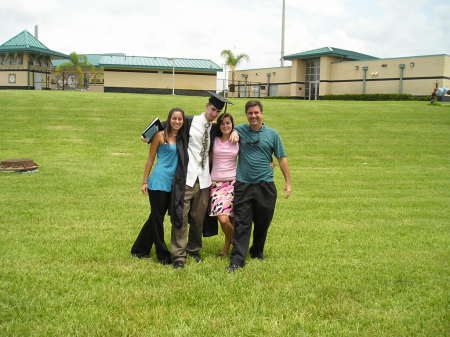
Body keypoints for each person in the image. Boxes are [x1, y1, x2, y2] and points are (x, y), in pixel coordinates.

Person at [169, 92, 237, 269]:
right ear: (207, 106)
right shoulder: (190, 122)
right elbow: (167, 124)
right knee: (181, 216)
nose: (214, 113)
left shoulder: (214, 128)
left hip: (205, 180)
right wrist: (148, 134)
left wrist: (236, 130)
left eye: (217, 111)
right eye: (213, 109)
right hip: (187, 177)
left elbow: (228, 128)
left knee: (198, 218)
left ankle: (194, 250)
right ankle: (178, 256)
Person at [227, 100, 292, 272]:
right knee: (242, 223)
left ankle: (257, 251)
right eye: (250, 113)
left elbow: (281, 158)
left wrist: (288, 182)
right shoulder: (240, 130)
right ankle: (237, 260)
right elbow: (224, 127)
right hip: (244, 185)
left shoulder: (272, 134)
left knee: (263, 222)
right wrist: (233, 131)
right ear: (246, 115)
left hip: (266, 186)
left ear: (262, 114)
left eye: (256, 113)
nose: (253, 116)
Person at [131, 108, 185, 265]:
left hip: (173, 183)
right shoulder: (160, 136)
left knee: (155, 217)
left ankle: (139, 249)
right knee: (157, 218)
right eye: (174, 118)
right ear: (169, 119)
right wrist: (144, 181)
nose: (177, 121)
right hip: (159, 182)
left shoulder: (183, 137)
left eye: (180, 119)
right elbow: (150, 159)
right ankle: (162, 254)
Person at [209, 112, 239, 256]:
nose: (225, 125)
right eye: (222, 123)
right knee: (223, 219)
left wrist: (237, 131)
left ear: (233, 125)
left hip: (233, 184)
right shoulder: (214, 139)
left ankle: (226, 250)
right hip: (216, 184)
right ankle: (238, 241)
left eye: (228, 123)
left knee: (230, 219)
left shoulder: (238, 139)